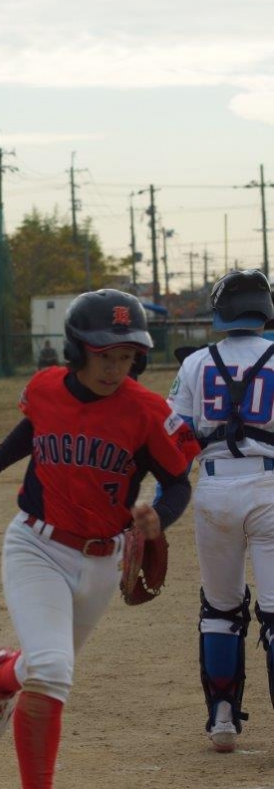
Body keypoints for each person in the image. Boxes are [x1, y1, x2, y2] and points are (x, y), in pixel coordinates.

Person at [0, 289, 200, 789]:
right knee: (54, 669)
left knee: (44, 666)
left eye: (127, 356)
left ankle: (3, 674)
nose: (116, 367)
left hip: (103, 561)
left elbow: (178, 482)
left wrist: (158, 520)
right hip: (36, 546)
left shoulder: (147, 411)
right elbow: (31, 430)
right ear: (77, 350)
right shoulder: (45, 386)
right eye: (105, 354)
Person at [166, 268, 274, 754]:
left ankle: (223, 718)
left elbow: (175, 438)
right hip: (270, 485)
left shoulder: (195, 363)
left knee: (220, 606)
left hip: (214, 488)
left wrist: (162, 500)